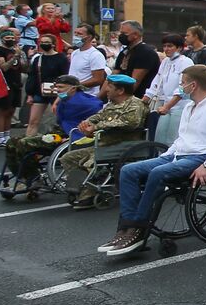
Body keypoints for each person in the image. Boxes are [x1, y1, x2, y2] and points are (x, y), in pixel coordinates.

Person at [98, 65, 206, 256]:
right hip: (179, 155)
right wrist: (166, 157)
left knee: (158, 173)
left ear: (193, 85)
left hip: (203, 156)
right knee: (129, 170)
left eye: (182, 83)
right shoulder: (189, 107)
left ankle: (139, 230)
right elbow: (181, 139)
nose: (180, 88)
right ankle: (126, 227)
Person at [63, 75, 148, 208]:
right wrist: (87, 123)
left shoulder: (135, 104)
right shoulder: (111, 105)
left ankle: (89, 195)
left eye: (110, 87)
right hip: (105, 144)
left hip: (123, 144)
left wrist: (97, 127)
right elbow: (99, 116)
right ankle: (79, 188)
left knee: (88, 162)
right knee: (68, 158)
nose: (106, 90)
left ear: (120, 91)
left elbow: (130, 122)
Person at [2, 74, 98, 190]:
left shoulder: (83, 102)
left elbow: (95, 114)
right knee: (12, 142)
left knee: (24, 143)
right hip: (58, 133)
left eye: (61, 87)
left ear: (73, 88)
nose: (57, 90)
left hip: (72, 136)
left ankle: (33, 178)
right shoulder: (65, 99)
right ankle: (23, 176)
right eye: (56, 87)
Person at [146, 35, 194, 145]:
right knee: (160, 137)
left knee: (173, 139)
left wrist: (168, 106)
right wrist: (146, 98)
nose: (166, 49)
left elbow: (183, 88)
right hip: (166, 105)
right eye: (164, 46)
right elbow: (157, 82)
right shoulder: (165, 62)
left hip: (180, 106)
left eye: (170, 46)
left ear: (179, 48)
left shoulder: (186, 62)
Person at [24, 34, 69, 136]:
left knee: (60, 120)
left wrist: (63, 92)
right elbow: (32, 76)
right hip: (40, 92)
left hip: (57, 92)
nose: (44, 44)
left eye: (47, 42)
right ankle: (27, 145)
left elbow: (65, 76)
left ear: (53, 44)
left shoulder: (61, 58)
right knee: (33, 121)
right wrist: (29, 94)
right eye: (42, 42)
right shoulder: (37, 59)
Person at [0, 30, 25, 146]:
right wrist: (15, 56)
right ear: (2, 39)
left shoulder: (15, 50)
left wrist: (22, 56)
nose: (11, 39)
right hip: (4, 83)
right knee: (3, 110)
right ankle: (0, 137)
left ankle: (7, 135)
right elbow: (4, 67)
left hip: (16, 82)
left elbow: (23, 67)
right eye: (7, 37)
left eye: (12, 37)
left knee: (11, 110)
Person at [114, 21, 160, 96]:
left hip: (138, 98)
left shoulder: (145, 52)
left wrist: (121, 100)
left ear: (135, 34)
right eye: (120, 33)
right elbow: (113, 77)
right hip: (121, 96)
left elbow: (134, 81)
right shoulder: (124, 52)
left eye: (124, 33)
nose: (121, 36)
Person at [67, 24, 108, 98]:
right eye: (75, 33)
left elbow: (98, 79)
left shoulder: (95, 55)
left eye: (79, 34)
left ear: (89, 37)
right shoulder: (75, 53)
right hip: (72, 94)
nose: (75, 36)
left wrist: (76, 86)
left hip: (87, 96)